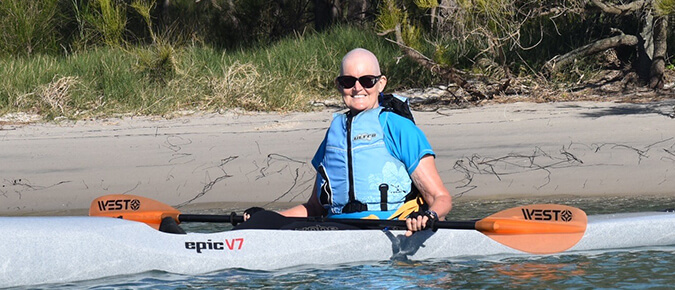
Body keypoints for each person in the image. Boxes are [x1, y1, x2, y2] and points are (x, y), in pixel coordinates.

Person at [241, 48, 452, 236]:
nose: (357, 88)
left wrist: (429, 216)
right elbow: (315, 208)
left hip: (387, 227)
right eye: (348, 82)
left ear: (381, 83)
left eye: (367, 80)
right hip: (338, 227)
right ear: (339, 85)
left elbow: (440, 197)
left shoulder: (399, 127)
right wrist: (269, 217)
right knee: (263, 220)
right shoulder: (335, 132)